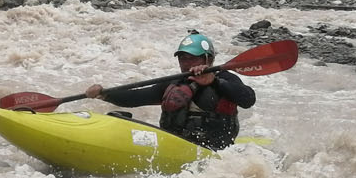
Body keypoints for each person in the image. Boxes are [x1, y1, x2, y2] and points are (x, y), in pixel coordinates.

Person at [82, 32, 256, 150]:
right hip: (174, 143)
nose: (186, 63)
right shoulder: (175, 82)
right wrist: (103, 93)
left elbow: (248, 99)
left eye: (191, 58)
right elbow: (136, 97)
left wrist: (215, 81)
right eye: (182, 58)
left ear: (208, 59)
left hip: (214, 148)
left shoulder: (224, 78)